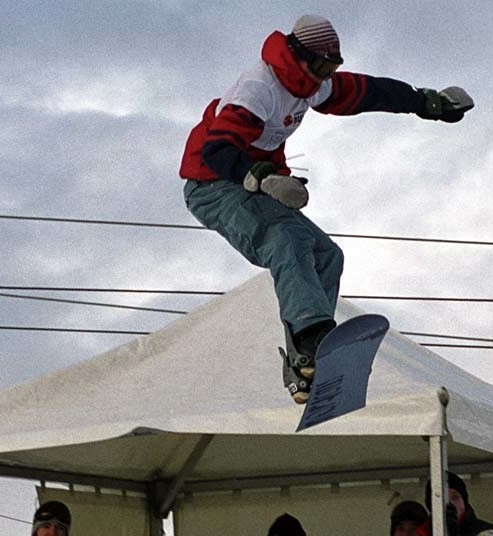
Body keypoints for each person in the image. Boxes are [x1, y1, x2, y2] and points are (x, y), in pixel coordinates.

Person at [179, 15, 474, 403]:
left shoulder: (310, 84)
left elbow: (366, 92)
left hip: (250, 184)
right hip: (214, 184)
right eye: (320, 67)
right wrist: (263, 178)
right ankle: (315, 335)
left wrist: (425, 102)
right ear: (298, 57)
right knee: (283, 239)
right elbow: (217, 150)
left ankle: (305, 363)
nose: (325, 77)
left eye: (331, 68)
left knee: (326, 255)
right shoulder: (258, 89)